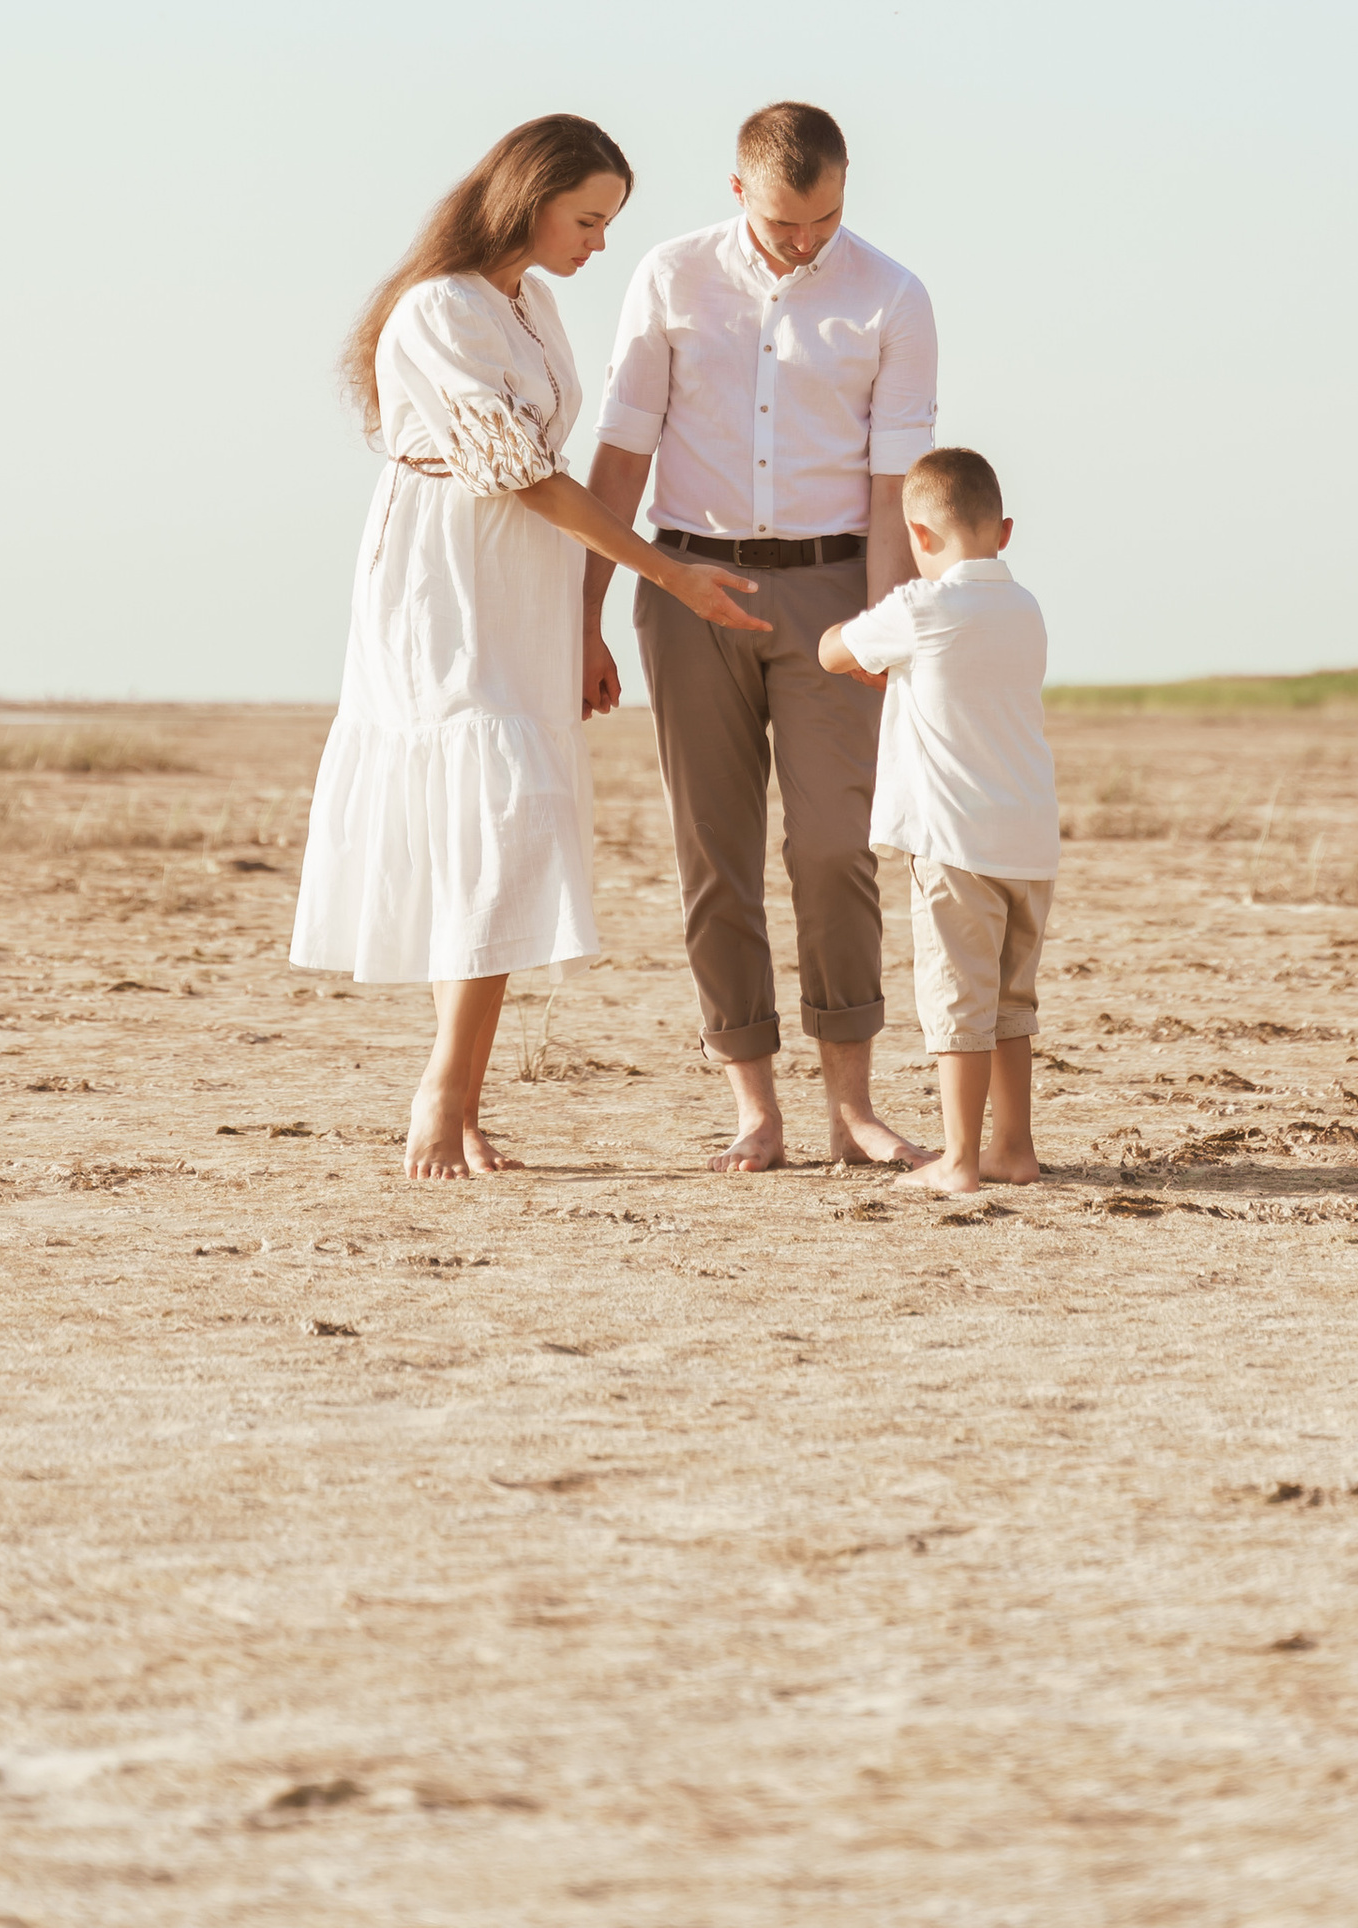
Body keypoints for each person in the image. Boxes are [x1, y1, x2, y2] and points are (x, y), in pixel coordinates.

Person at [289, 114, 770, 1181]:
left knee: (512, 827)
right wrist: (667, 573)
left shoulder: (531, 303)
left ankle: (459, 1101)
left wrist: (584, 624)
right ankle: (441, 1095)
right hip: (446, 577)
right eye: (586, 218)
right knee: (496, 818)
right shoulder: (436, 309)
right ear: (529, 196)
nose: (598, 244)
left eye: (609, 224)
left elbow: (548, 470)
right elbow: (517, 467)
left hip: (530, 575)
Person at [582, 100, 937, 1172]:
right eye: (786, 224)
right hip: (686, 584)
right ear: (739, 192)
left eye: (825, 220)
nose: (806, 242)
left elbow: (893, 493)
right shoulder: (670, 276)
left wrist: (888, 636)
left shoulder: (893, 296)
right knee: (714, 857)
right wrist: (581, 614)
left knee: (834, 849)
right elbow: (619, 457)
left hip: (835, 591)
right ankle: (754, 1109)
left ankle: (853, 1109)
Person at [820, 445, 1057, 1197]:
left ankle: (958, 1158)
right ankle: (1012, 1148)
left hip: (953, 845)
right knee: (1012, 1001)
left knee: (958, 999)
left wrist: (881, 653)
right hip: (1027, 841)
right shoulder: (1025, 608)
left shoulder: (921, 608)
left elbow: (832, 652)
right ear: (1005, 532)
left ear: (919, 536)